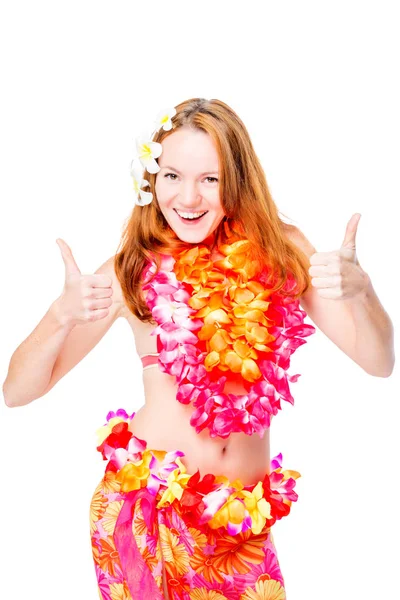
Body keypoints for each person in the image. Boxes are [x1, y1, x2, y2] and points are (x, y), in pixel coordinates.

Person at [3, 98, 394, 600]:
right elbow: (16, 391)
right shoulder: (132, 269)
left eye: (210, 178)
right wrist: (60, 316)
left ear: (237, 180)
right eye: (172, 176)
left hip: (240, 524)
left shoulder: (284, 251)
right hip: (148, 515)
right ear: (152, 179)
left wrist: (362, 293)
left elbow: (379, 361)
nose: (188, 197)